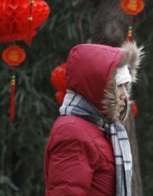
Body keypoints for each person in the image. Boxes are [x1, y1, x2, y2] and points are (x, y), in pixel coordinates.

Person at [44, 42, 143, 196]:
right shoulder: (73, 133)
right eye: (118, 86)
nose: (125, 95)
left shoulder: (102, 131)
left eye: (126, 86)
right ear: (97, 85)